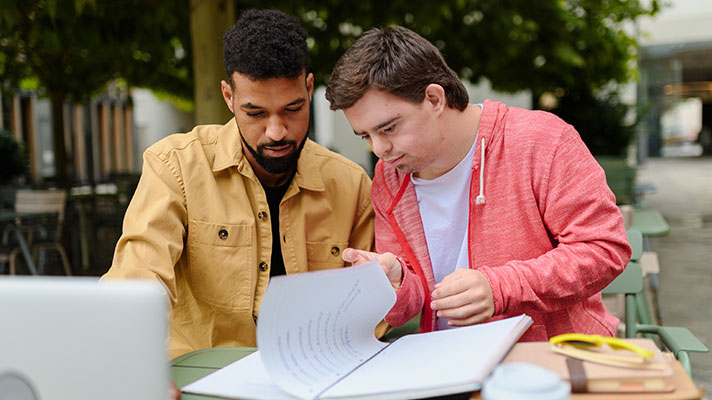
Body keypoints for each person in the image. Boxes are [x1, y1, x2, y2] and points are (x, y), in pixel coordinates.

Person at [324, 26, 631, 341]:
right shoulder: (389, 179)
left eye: (388, 128)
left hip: (551, 359)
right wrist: (398, 282)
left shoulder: (542, 140)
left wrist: (500, 288)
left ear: (434, 98)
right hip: (447, 364)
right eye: (365, 136)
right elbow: (411, 305)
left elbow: (604, 249)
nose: (379, 149)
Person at [103, 9, 377, 359]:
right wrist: (136, 363)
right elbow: (138, 279)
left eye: (292, 109)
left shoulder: (351, 184)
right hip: (202, 379)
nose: (276, 131)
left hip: (316, 375)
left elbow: (371, 309)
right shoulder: (176, 166)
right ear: (229, 97)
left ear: (309, 88)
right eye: (256, 113)